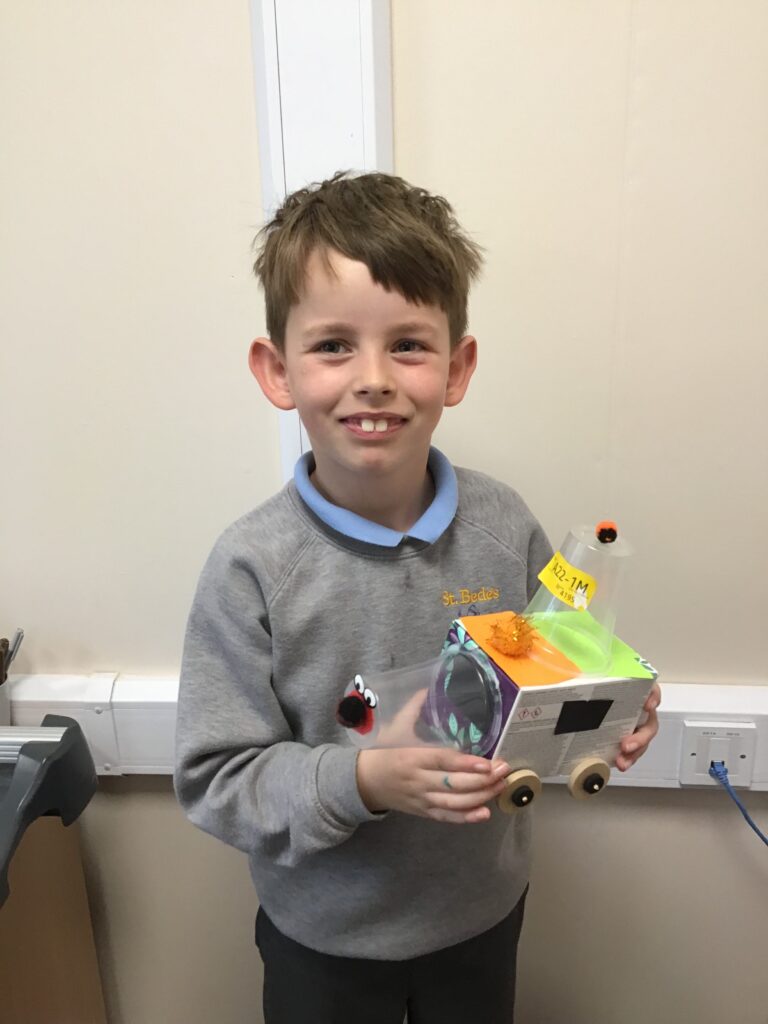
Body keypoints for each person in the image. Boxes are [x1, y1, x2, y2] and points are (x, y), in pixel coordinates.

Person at [174, 171, 660, 1024]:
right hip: (323, 942)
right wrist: (362, 780)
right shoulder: (251, 567)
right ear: (277, 370)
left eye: (407, 345)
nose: (373, 379)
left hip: (481, 921)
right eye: (333, 346)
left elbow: (559, 661)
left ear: (457, 367)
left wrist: (610, 709)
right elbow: (218, 779)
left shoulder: (505, 526)